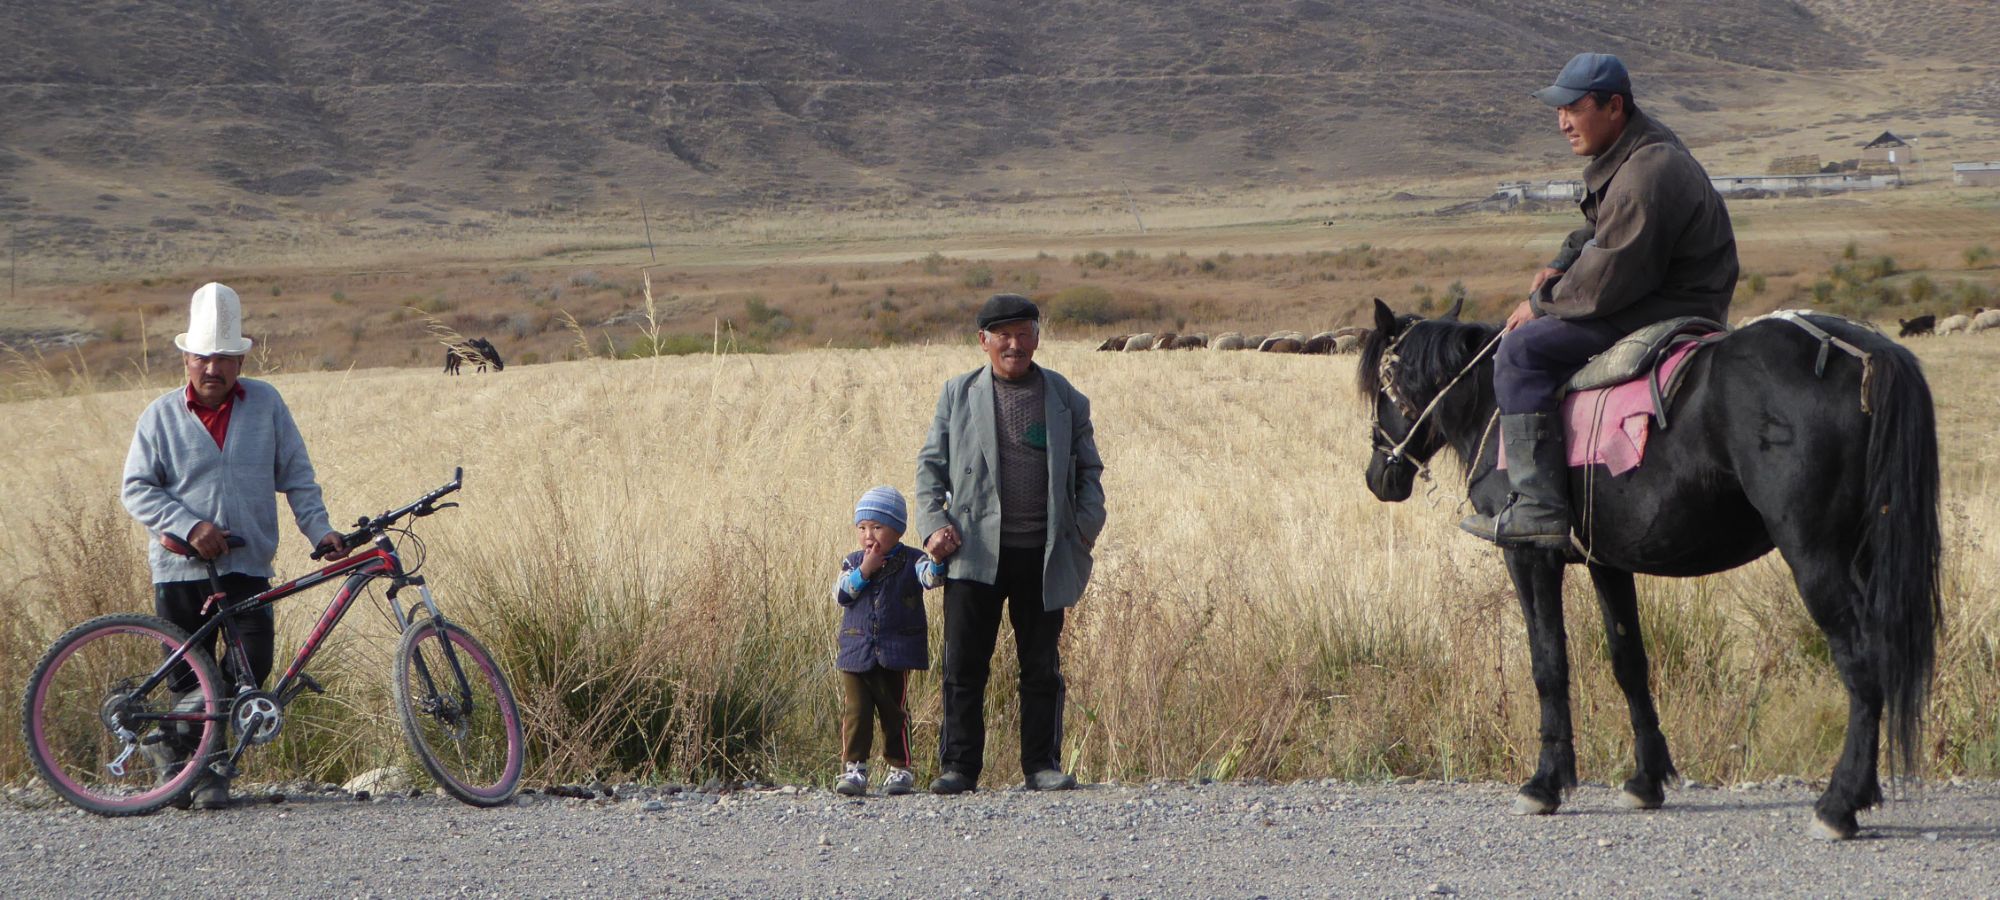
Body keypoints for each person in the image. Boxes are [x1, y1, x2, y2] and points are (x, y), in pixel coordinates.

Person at [1461, 52, 1739, 549]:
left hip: (1665, 305)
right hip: (1662, 291)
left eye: (1574, 107)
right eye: (1558, 110)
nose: (1563, 122)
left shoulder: (1644, 174)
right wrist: (1565, 259)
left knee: (1521, 353)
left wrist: (1542, 301)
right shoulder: (1639, 149)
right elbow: (1598, 229)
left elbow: (1605, 278)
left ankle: (1537, 507)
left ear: (1614, 107)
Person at [120, 282, 349, 809]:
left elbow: (298, 477)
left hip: (247, 566)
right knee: (187, 677)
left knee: (251, 668)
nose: (213, 369)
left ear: (241, 361)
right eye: (203, 357)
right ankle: (201, 776)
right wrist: (187, 525)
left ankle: (179, 756)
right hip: (179, 570)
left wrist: (320, 531)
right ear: (185, 358)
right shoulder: (158, 416)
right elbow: (135, 488)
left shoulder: (266, 405)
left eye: (224, 358)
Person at [915, 293, 1106, 794]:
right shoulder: (957, 394)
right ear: (984, 341)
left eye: (1024, 334)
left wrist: (1085, 527)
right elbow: (929, 469)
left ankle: (1041, 766)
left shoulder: (1066, 397)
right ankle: (959, 769)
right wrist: (933, 524)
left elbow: (1090, 471)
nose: (1015, 345)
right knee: (963, 668)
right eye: (1004, 335)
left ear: (1038, 337)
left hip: (1042, 555)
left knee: (1041, 667)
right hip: (973, 552)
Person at [832, 486, 944, 796]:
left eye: (877, 527)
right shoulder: (853, 561)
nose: (869, 535)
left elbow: (930, 579)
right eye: (862, 528)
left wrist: (935, 559)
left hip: (896, 650)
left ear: (897, 530)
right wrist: (864, 572)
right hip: (856, 650)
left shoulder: (911, 559)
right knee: (856, 711)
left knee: (894, 711)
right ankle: (854, 768)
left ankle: (899, 768)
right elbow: (842, 594)